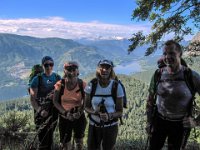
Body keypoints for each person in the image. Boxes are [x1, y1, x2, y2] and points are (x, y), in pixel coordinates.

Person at [146, 40, 200, 150]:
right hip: (159, 121)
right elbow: (150, 100)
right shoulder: (158, 74)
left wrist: (195, 122)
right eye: (165, 53)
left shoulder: (191, 76)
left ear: (180, 54)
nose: (167, 57)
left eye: (171, 53)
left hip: (180, 125)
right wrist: (149, 122)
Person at [84, 59, 124, 150]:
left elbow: (120, 112)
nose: (104, 70)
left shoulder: (116, 86)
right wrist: (94, 111)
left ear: (111, 70)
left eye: (107, 68)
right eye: (102, 67)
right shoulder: (92, 85)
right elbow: (86, 106)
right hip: (93, 125)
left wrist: (109, 116)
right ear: (98, 69)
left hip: (111, 126)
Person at [53, 61, 87, 150]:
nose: (71, 72)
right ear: (64, 71)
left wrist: (80, 112)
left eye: (73, 69)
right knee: (65, 144)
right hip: (64, 117)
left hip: (78, 117)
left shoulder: (82, 84)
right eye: (68, 69)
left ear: (77, 71)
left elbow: (86, 101)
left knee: (79, 142)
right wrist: (65, 113)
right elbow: (55, 101)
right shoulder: (60, 84)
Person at [29, 56, 61, 150]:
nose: (49, 67)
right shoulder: (37, 79)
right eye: (46, 65)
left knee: (50, 135)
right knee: (42, 137)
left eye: (51, 64)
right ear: (43, 65)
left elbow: (61, 94)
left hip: (53, 111)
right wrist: (39, 110)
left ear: (53, 65)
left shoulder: (57, 77)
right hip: (40, 112)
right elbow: (32, 99)